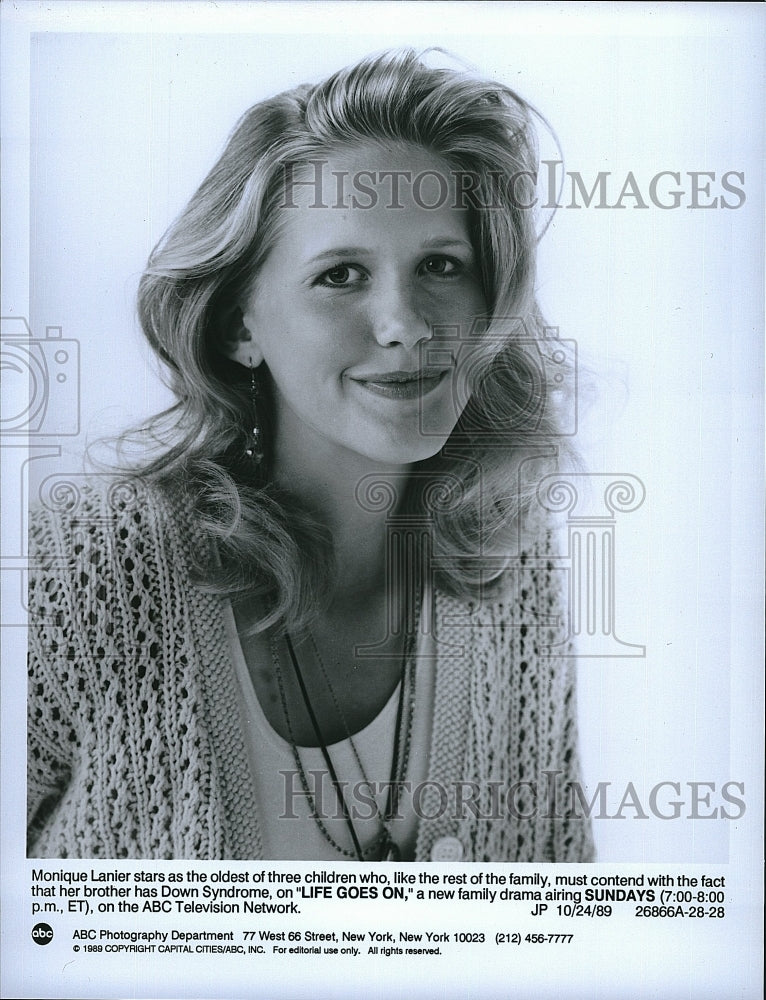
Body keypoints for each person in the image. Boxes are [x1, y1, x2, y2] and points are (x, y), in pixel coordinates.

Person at [27, 49, 594, 862]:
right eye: (341, 275)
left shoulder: (510, 558)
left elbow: (563, 909)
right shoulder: (92, 567)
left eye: (442, 265)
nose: (405, 324)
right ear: (238, 326)